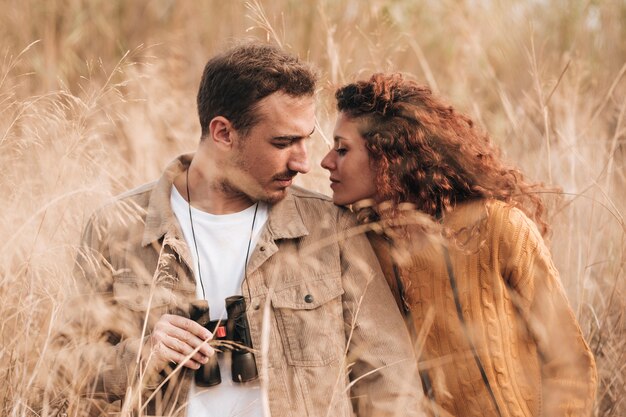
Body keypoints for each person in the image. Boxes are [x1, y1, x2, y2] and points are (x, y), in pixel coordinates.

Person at [67, 46, 422, 417]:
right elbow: (62, 369)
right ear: (223, 133)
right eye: (283, 143)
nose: (303, 162)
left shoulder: (329, 227)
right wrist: (141, 354)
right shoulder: (116, 226)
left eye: (306, 139)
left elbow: (390, 379)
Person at [320, 73, 597, 417]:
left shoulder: (499, 228)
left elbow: (570, 364)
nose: (326, 161)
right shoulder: (364, 247)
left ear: (387, 153)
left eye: (342, 149)